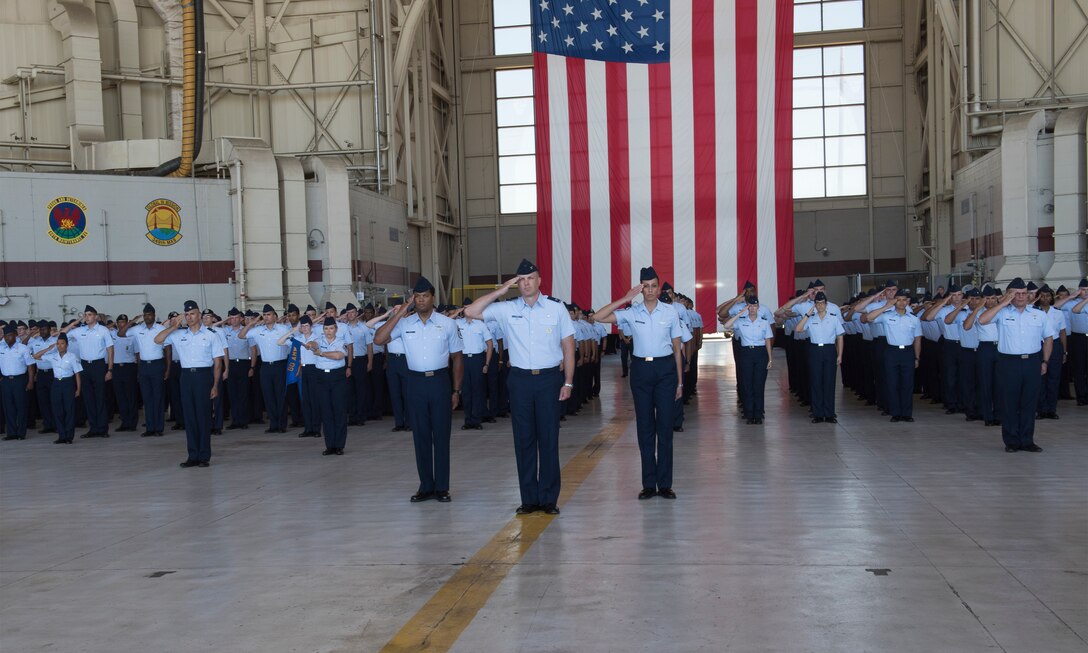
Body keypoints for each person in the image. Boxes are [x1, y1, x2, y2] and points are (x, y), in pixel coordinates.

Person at [464, 259, 575, 516]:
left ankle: (548, 499)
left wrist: (568, 381)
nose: (526, 283)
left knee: (548, 439)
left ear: (539, 281)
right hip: (520, 380)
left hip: (549, 380)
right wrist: (500, 291)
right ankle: (529, 499)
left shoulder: (556, 309)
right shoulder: (506, 309)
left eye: (530, 278)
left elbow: (568, 345)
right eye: (521, 280)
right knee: (524, 441)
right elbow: (470, 312)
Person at [593, 266, 683, 500]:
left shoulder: (670, 312)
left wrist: (680, 382)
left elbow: (676, 347)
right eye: (646, 286)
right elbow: (598, 317)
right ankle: (648, 484)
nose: (651, 290)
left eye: (654, 285)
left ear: (659, 286)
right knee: (645, 428)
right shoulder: (632, 312)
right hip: (641, 369)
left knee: (664, 428)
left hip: (665, 370)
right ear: (641, 288)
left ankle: (665, 484)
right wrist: (625, 298)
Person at [375, 277, 464, 503]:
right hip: (414, 383)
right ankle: (426, 486)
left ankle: (442, 487)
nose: (421, 300)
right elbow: (379, 339)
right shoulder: (404, 324)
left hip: (440, 382)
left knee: (441, 436)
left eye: (425, 296)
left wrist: (456, 390)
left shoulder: (447, 324)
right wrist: (401, 311)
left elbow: (457, 358)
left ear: (433, 298)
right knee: (421, 436)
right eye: (417, 296)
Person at [978, 278, 1056, 452]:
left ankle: (1027, 440)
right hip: (1008, 363)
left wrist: (1045, 361)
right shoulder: (1002, 312)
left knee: (1029, 403)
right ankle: (1012, 441)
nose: (1020, 297)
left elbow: (1049, 338)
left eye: (1023, 293)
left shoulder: (1038, 314)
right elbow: (982, 320)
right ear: (1009, 294)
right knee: (1009, 403)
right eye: (1016, 293)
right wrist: (1003, 302)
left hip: (1032, 361)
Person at [155, 300, 224, 467]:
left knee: (203, 416)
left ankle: (204, 455)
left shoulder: (210, 335)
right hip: (186, 377)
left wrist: (215, 385)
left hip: (203, 376)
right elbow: (158, 340)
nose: (189, 316)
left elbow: (218, 362)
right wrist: (173, 326)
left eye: (192, 313)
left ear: (199, 315)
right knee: (190, 417)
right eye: (186, 314)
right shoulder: (179, 335)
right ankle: (192, 455)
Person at [863, 289, 923, 422]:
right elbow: (869, 318)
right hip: (891, 351)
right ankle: (895, 413)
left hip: (908, 352)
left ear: (907, 302)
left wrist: (917, 357)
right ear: (894, 301)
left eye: (904, 300)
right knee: (892, 382)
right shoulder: (887, 316)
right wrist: (886, 306)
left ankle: (907, 413)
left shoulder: (914, 319)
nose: (901, 302)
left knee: (907, 384)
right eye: (898, 299)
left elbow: (917, 339)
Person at [62, 306, 114, 438]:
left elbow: (110, 350)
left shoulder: (103, 330)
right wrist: (76, 321)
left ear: (96, 316)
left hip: (98, 365)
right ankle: (93, 428)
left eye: (90, 314)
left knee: (100, 398)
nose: (87, 317)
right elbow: (62, 333)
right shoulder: (79, 331)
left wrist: (110, 369)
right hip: (85, 365)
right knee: (89, 398)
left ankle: (102, 429)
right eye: (85, 315)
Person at [794, 292, 845, 423]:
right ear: (815, 305)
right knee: (815, 382)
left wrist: (839, 355)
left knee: (829, 382)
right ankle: (817, 413)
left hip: (829, 350)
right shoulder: (811, 319)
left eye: (822, 303)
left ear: (826, 304)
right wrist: (807, 314)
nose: (820, 306)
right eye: (817, 303)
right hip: (815, 350)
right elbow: (798, 329)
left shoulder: (833, 318)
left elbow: (840, 337)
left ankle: (829, 414)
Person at [723, 296, 774, 424]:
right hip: (746, 353)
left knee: (758, 384)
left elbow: (768, 340)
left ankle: (758, 414)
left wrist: (770, 358)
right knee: (747, 384)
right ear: (747, 307)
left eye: (754, 306)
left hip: (760, 353)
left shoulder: (763, 322)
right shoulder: (741, 321)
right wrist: (740, 313)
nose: (752, 309)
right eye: (750, 306)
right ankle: (749, 413)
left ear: (758, 307)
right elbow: (727, 325)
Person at [240, 305, 291, 433]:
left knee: (280, 395)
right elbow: (241, 336)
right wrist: (251, 324)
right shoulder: (258, 330)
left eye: (269, 314)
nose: (267, 317)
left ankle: (281, 424)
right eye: (265, 315)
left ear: (275, 316)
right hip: (265, 366)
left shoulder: (283, 329)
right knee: (268, 396)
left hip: (280, 365)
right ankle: (273, 424)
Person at [123, 304, 170, 437]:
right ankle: (150, 427)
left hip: (157, 365)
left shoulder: (161, 328)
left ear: (154, 315)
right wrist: (132, 321)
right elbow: (121, 333)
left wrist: (167, 369)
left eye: (149, 314)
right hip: (144, 366)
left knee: (158, 397)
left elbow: (167, 349)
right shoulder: (137, 329)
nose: (147, 317)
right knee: (147, 398)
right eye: (145, 315)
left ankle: (158, 428)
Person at [32, 333, 82, 444]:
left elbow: (77, 374)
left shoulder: (72, 357)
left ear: (67, 345)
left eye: (62, 343)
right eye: (58, 344)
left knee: (69, 410)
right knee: (57, 410)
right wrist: (49, 348)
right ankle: (61, 435)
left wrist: (78, 389)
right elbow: (35, 356)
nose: (60, 346)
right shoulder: (52, 356)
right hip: (56, 384)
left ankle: (69, 436)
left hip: (68, 383)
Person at [310, 317, 351, 455]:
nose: (329, 331)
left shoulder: (341, 342)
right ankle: (330, 445)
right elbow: (313, 343)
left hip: (337, 377)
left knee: (339, 411)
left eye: (331, 328)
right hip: (321, 377)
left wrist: (321, 353)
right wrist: (311, 345)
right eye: (326, 328)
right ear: (323, 330)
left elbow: (339, 355)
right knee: (326, 411)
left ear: (336, 329)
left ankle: (339, 445)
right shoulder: (319, 340)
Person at [278, 317, 322, 439]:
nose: (304, 328)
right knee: (305, 400)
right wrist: (292, 331)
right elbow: (280, 342)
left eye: (307, 326)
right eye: (302, 326)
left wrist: (310, 344)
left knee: (314, 400)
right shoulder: (297, 339)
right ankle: (308, 428)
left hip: (314, 369)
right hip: (302, 370)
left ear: (311, 326)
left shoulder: (317, 338)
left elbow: (316, 347)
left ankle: (316, 428)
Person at [964, 286, 1001, 426]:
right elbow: (967, 326)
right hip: (985, 348)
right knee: (985, 383)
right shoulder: (978, 312)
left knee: (999, 384)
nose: (990, 301)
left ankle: (999, 414)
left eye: (992, 298)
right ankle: (988, 416)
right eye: (987, 299)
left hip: (1001, 348)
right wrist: (977, 309)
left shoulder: (1001, 310)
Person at [456, 299, 493, 431]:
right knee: (465, 392)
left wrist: (486, 363)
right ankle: (468, 420)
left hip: (477, 359)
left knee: (478, 391)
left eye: (469, 308)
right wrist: (457, 311)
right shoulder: (457, 323)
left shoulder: (481, 325)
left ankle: (476, 420)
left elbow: (490, 344)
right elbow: (446, 321)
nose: (467, 310)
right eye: (465, 308)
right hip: (463, 360)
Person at [1034, 285, 1067, 420]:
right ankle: (1041, 409)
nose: (1045, 298)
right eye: (1042, 295)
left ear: (1052, 297)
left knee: (1054, 378)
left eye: (1048, 296)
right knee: (1040, 379)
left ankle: (1051, 409)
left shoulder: (1058, 313)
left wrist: (1064, 352)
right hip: (1039, 345)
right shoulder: (1034, 312)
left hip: (1056, 345)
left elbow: (1063, 333)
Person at [1, 323, 36, 440]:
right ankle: (11, 433)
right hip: (6, 381)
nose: (7, 338)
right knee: (8, 407)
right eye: (5, 336)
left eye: (10, 336)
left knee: (21, 407)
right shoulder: (1, 347)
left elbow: (30, 367)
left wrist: (30, 382)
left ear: (15, 335)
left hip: (20, 380)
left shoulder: (23, 348)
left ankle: (21, 433)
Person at [219, 307, 253, 430]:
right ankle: (235, 420)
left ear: (241, 318)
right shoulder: (224, 331)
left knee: (243, 393)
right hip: (230, 365)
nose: (233, 320)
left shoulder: (246, 331)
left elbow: (253, 350)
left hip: (244, 364)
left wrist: (252, 367)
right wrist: (224, 320)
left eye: (236, 317)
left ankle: (243, 420)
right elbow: (212, 327)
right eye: (231, 318)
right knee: (232, 394)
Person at [27, 320, 58, 435]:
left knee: (54, 400)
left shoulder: (55, 341)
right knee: (43, 400)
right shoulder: (35, 342)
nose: (42, 331)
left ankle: (56, 424)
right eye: (40, 329)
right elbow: (24, 346)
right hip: (41, 374)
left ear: (50, 329)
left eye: (44, 329)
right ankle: (47, 425)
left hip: (53, 373)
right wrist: (31, 333)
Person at [110, 314, 139, 432]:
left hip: (129, 367)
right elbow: (103, 328)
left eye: (123, 322)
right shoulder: (112, 334)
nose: (121, 324)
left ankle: (132, 423)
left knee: (130, 396)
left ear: (127, 322)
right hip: (117, 368)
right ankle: (125, 422)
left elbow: (137, 354)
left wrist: (139, 370)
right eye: (119, 322)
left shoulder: (132, 335)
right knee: (120, 397)